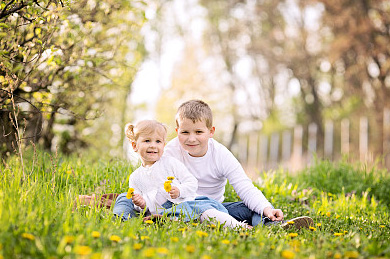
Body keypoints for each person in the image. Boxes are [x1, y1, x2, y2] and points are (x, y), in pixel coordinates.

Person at [114, 100, 313, 229]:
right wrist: (143, 200)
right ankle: (125, 223)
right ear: (177, 131)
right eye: (185, 132)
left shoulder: (221, 155)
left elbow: (244, 186)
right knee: (125, 196)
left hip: (214, 208)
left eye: (199, 132)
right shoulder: (168, 150)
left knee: (252, 208)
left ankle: (271, 226)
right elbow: (147, 174)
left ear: (211, 131)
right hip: (177, 206)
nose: (191, 139)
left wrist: (266, 208)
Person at [121, 119, 251, 229]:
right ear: (134, 146)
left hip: (187, 204)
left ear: (164, 145)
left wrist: (180, 191)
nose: (153, 146)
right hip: (167, 213)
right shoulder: (135, 178)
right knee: (174, 220)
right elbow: (140, 207)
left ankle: (240, 226)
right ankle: (177, 223)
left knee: (207, 214)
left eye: (158, 141)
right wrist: (141, 204)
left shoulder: (170, 163)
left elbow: (191, 182)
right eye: (147, 141)